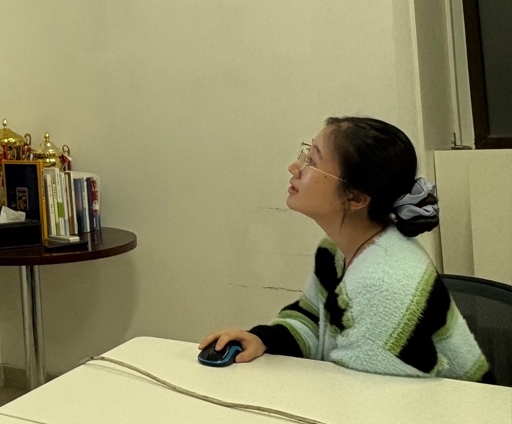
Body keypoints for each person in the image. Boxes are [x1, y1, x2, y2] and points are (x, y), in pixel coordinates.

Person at [199, 116, 493, 383]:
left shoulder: (384, 283)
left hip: (456, 419)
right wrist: (264, 339)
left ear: (355, 198)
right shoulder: (334, 252)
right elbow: (312, 320)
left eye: (312, 161)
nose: (295, 167)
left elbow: (374, 395)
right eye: (305, 153)